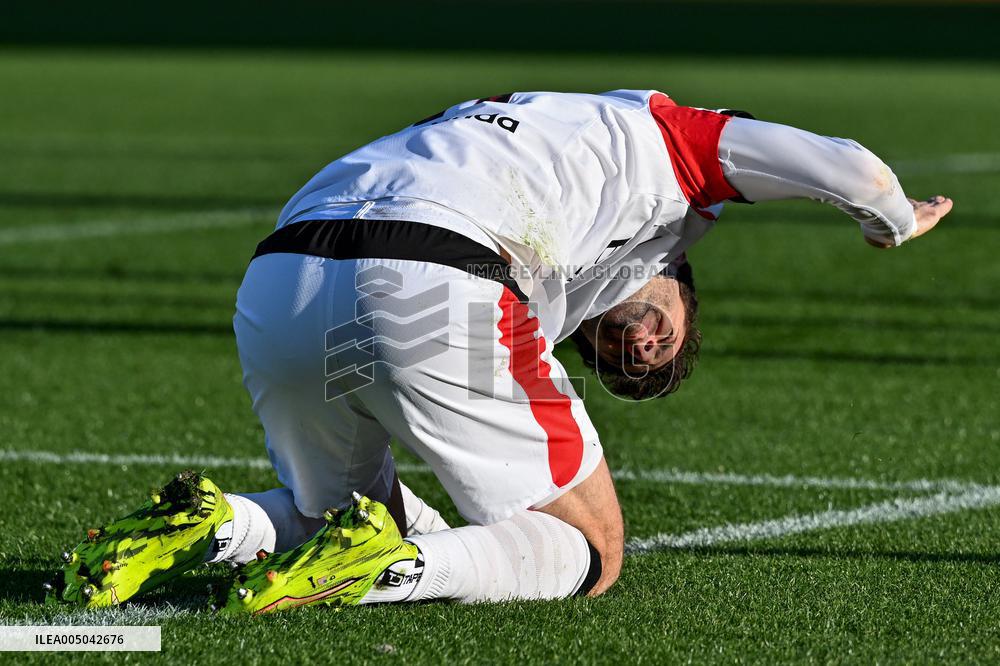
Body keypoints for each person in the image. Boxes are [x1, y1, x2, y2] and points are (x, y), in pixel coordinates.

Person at [47, 90, 951, 613]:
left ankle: (216, 526)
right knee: (593, 551)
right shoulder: (660, 140)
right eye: (655, 335)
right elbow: (841, 163)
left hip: (282, 280)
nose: (632, 341)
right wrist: (893, 216)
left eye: (611, 352)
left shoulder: (528, 140)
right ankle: (389, 575)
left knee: (343, 526)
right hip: (430, 271)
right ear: (678, 273)